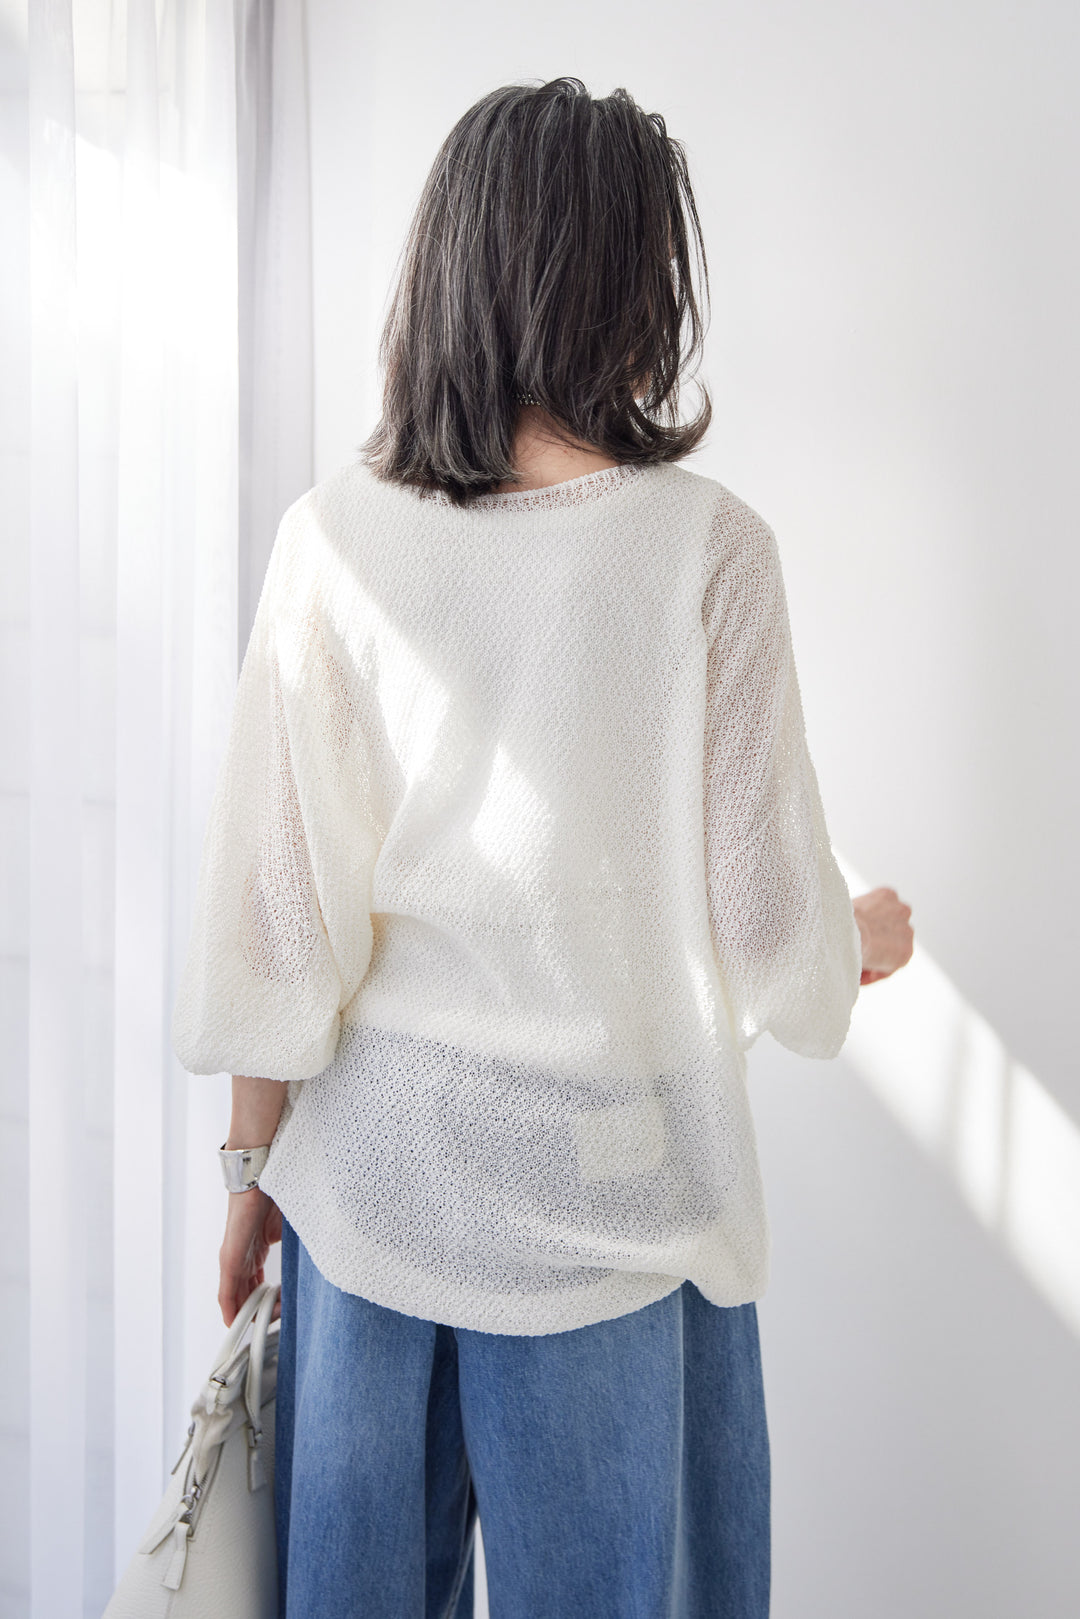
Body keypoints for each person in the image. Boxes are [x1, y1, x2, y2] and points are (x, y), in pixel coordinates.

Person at [172, 76, 914, 1619]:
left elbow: (275, 921)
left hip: (370, 1207)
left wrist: (251, 1175)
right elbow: (768, 919)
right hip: (611, 1214)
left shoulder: (333, 538)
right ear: (636, 287)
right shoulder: (708, 550)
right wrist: (855, 942)